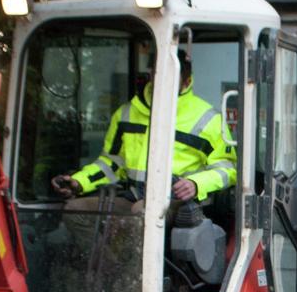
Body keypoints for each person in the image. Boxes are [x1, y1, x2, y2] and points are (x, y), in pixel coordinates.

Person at [51, 41, 236, 216]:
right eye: (157, 74)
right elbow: (112, 163)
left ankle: (131, 250)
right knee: (75, 210)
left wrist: (196, 184)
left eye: (170, 76)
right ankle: (111, 252)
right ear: (150, 74)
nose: (161, 80)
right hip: (134, 196)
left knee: (142, 213)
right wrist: (79, 182)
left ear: (186, 82)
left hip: (179, 203)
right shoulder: (127, 113)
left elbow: (228, 169)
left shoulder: (208, 119)